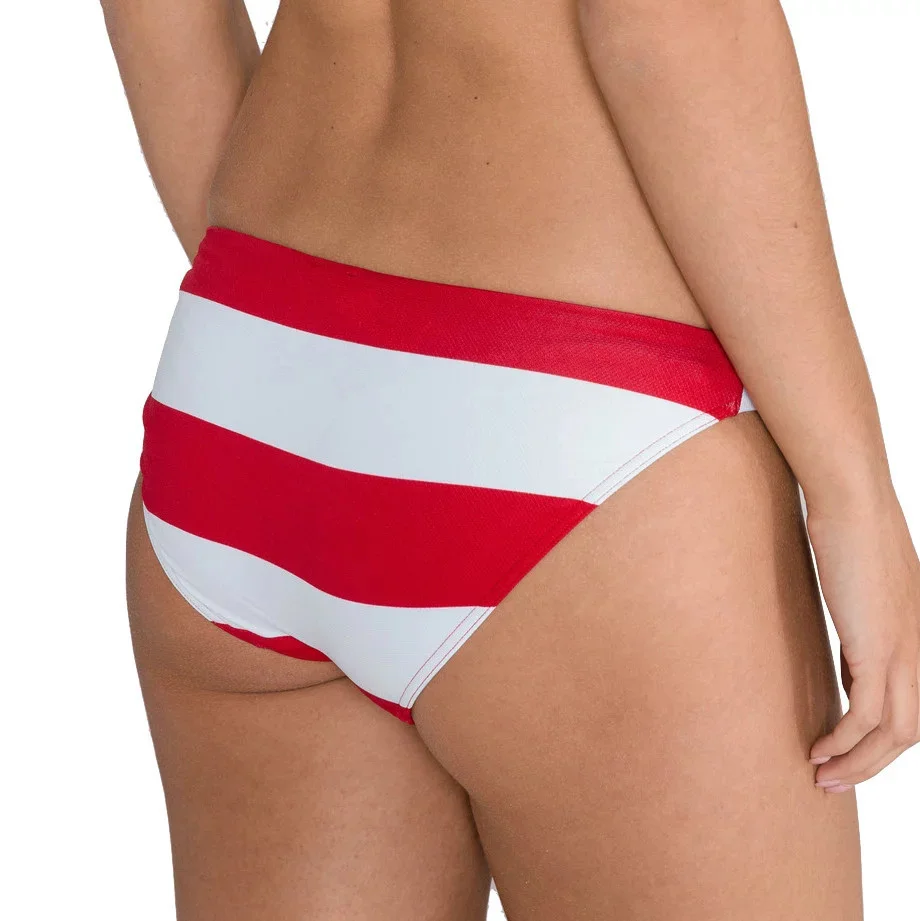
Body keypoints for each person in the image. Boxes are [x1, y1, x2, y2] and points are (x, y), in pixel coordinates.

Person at [101, 0, 919, 917]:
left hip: (248, 378)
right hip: (580, 419)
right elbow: (671, 26)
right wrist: (854, 492)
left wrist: (303, 349)